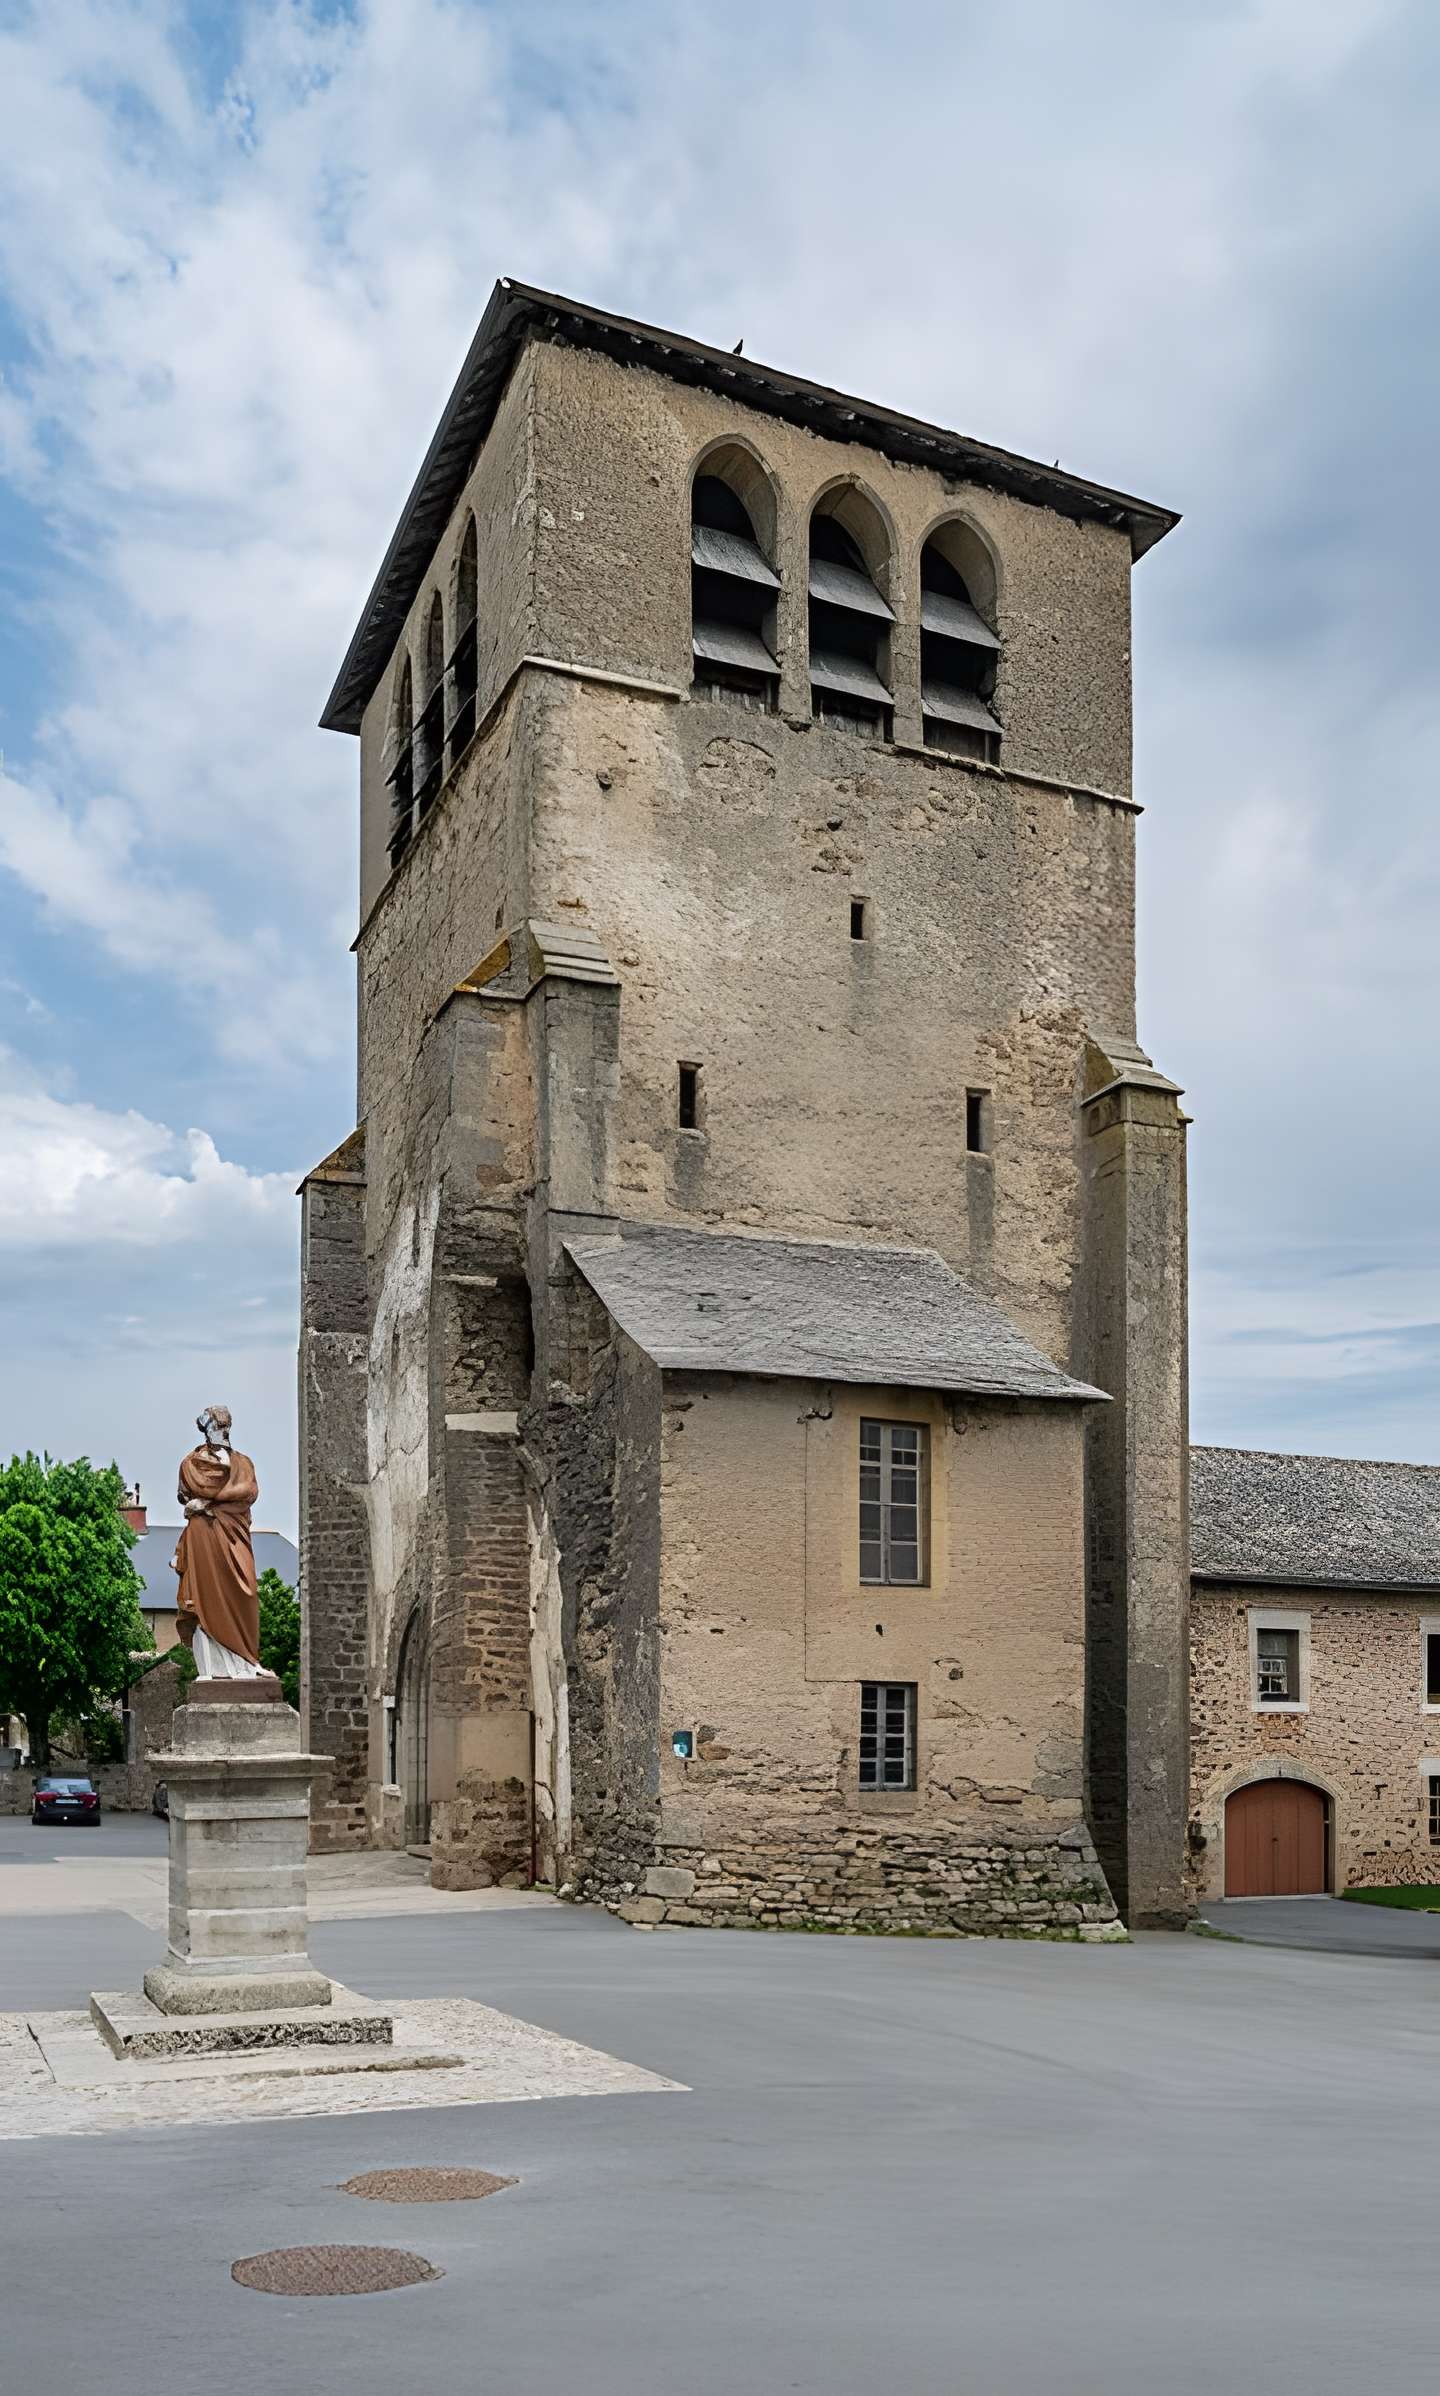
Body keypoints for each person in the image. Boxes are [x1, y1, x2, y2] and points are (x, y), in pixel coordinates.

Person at [171, 1406, 266, 1679]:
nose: (221, 1430)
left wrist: (209, 1503)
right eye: (215, 1425)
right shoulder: (192, 1462)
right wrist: (210, 1501)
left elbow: (248, 1490)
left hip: (235, 1533)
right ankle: (214, 1670)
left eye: (224, 1426)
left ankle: (246, 1662)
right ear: (206, 1427)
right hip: (204, 1535)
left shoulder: (244, 1463)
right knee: (205, 1598)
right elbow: (195, 1489)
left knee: (246, 1591)